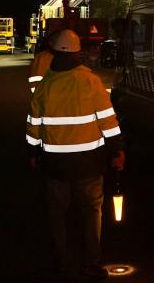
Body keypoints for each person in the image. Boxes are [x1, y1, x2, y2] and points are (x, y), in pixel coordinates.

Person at [25, 29, 125, 280]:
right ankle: (91, 263)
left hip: (55, 166)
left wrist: (33, 152)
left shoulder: (45, 85)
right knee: (92, 212)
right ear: (78, 52)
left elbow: (33, 126)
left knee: (57, 215)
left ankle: (61, 262)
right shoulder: (90, 81)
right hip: (89, 165)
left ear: (54, 52)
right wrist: (117, 150)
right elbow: (108, 121)